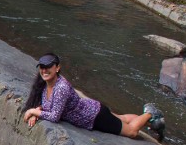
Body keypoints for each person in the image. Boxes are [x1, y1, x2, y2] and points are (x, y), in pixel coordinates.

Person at [20, 53, 165, 139]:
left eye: (48, 67)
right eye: (42, 67)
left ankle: (150, 113)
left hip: (94, 117)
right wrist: (37, 113)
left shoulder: (61, 88)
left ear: (57, 68)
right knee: (123, 119)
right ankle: (154, 123)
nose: (44, 70)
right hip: (94, 109)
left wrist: (33, 111)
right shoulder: (48, 83)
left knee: (132, 132)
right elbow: (48, 106)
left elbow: (54, 116)